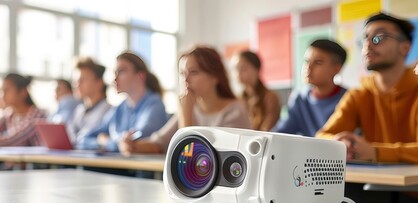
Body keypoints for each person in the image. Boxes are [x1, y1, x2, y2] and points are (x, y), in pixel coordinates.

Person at [316, 13, 418, 203]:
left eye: (378, 37)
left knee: (346, 201)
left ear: (404, 48)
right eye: (365, 39)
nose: (368, 45)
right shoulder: (359, 94)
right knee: (329, 195)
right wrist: (339, 143)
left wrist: (374, 151)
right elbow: (322, 135)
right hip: (374, 187)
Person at [120, 46, 252, 155]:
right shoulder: (192, 108)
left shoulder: (235, 111)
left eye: (193, 72)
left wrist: (186, 114)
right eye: (182, 74)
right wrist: (131, 145)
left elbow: (192, 156)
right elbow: (158, 143)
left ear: (215, 76)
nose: (186, 80)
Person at [78, 52, 168, 152]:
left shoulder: (155, 105)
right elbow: (84, 139)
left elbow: (132, 143)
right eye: (114, 73)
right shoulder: (120, 108)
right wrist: (106, 142)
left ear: (140, 76)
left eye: (121, 71)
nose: (115, 79)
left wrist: (104, 139)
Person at [273, 39, 348, 137]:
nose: (308, 67)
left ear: (336, 68)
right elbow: (281, 132)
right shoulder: (299, 99)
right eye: (306, 61)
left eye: (318, 62)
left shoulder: (349, 99)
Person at [0, 74, 46, 147]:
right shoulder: (10, 114)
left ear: (23, 92)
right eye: (2, 91)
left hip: (34, 158)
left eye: (7, 90)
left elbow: (11, 140)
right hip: (15, 158)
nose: (3, 95)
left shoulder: (37, 115)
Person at [68, 58, 113, 146]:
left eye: (82, 80)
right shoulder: (80, 110)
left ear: (99, 83)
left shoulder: (109, 110)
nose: (77, 84)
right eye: (75, 81)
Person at [234, 51, 280, 131]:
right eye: (237, 69)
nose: (238, 73)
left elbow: (266, 130)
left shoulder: (270, 97)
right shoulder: (238, 99)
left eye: (243, 68)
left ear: (256, 69)